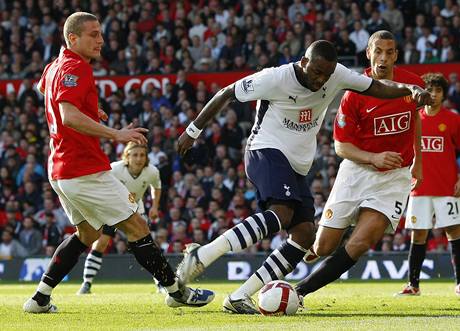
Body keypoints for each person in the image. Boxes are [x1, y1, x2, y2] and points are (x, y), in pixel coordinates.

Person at [176, 37, 431, 314]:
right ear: (304, 62)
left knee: (304, 235)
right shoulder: (274, 78)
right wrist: (193, 131)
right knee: (281, 213)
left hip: (298, 165)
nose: (321, 80)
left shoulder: (336, 76)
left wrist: (409, 89)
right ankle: (202, 255)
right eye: (316, 72)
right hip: (266, 149)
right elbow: (226, 92)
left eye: (326, 75)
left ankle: (239, 296)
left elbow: (377, 87)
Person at [23, 12, 214, 314]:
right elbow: (68, 116)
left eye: (101, 34)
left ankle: (39, 298)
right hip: (82, 168)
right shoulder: (77, 67)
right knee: (136, 225)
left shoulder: (55, 65)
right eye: (93, 34)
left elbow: (44, 90)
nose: (100, 40)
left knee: (86, 235)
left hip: (59, 168)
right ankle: (177, 292)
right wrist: (117, 134)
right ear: (72, 38)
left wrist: (89, 107)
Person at [294, 31, 427, 302]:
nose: (384, 58)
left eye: (390, 52)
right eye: (378, 51)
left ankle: (299, 292)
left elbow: (416, 121)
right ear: (368, 53)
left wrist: (418, 162)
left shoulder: (411, 85)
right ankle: (316, 249)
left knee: (361, 242)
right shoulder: (355, 92)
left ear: (396, 56)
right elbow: (341, 147)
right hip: (356, 171)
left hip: (395, 177)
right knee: (323, 245)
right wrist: (373, 158)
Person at [396, 72, 460, 296]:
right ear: (422, 92)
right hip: (419, 187)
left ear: (443, 93)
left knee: (454, 231)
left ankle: (459, 283)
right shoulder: (414, 118)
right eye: (429, 90)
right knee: (418, 235)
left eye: (438, 90)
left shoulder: (453, 119)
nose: (433, 94)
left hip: (447, 186)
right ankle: (413, 285)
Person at [77, 142, 162, 295]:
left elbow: (156, 187)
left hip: (135, 210)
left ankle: (161, 283)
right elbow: (98, 182)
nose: (139, 159)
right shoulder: (114, 168)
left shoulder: (152, 171)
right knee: (101, 243)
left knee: (148, 246)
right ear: (127, 156)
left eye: (142, 155)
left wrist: (155, 206)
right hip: (112, 210)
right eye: (135, 155)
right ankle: (86, 284)